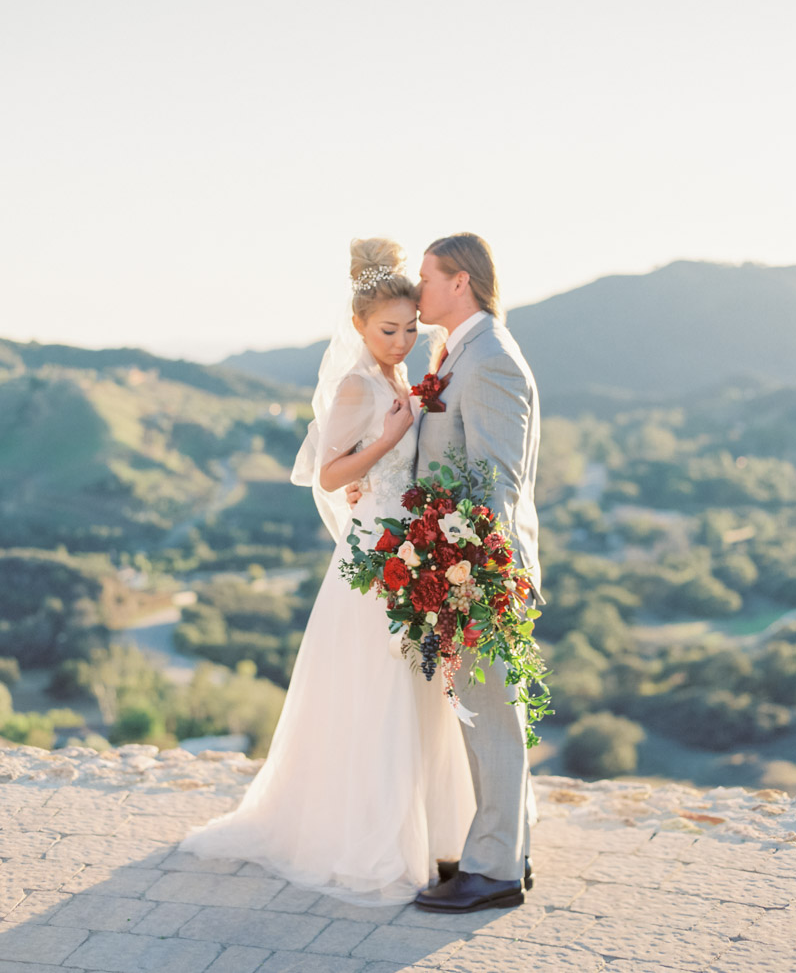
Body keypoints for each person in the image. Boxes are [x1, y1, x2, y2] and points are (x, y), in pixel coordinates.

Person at [179, 238, 475, 905]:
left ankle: (434, 828)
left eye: (408, 328)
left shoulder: (402, 375)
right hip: (374, 555)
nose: (400, 341)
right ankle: (367, 834)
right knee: (377, 686)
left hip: (410, 542)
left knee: (417, 681)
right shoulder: (355, 384)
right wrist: (390, 439)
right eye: (386, 330)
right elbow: (329, 471)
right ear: (358, 328)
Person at [348, 232, 544, 914]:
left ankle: (493, 871)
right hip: (463, 564)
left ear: (458, 282)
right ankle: (504, 852)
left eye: (427, 279)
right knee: (484, 713)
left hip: (479, 570)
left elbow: (496, 481)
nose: (418, 289)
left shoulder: (488, 359)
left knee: (491, 715)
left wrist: (467, 575)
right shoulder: (458, 350)